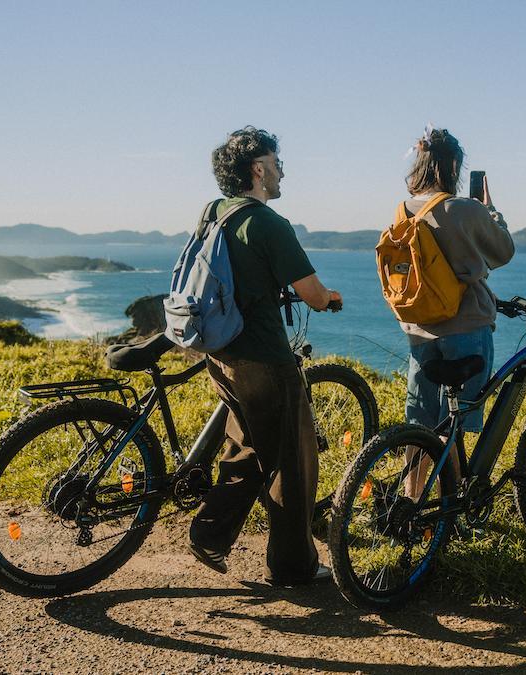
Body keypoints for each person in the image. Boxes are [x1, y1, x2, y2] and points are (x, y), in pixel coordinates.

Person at [188, 126, 341, 585]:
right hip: (263, 358)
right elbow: (312, 293)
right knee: (292, 461)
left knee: (249, 447)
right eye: (276, 163)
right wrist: (329, 298)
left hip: (221, 353)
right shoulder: (269, 224)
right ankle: (293, 567)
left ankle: (209, 535)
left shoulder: (214, 212)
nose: (281, 172)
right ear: (258, 169)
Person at [396, 128, 515, 488]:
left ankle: (411, 499)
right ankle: (451, 506)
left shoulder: (403, 210)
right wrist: (490, 210)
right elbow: (503, 251)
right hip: (466, 327)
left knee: (419, 424)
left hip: (420, 329)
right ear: (452, 167)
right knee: (454, 423)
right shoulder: (466, 209)